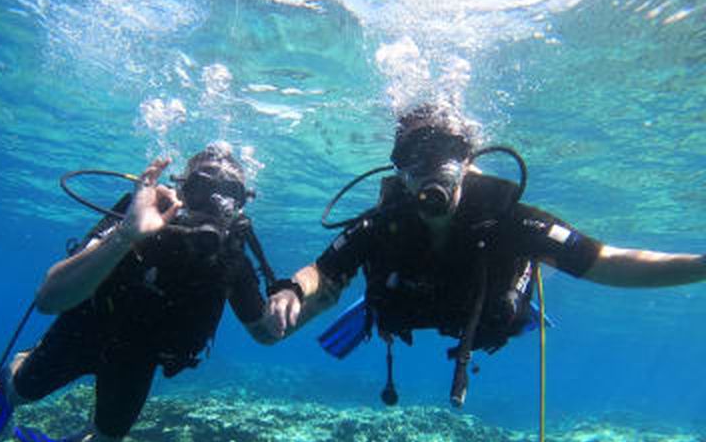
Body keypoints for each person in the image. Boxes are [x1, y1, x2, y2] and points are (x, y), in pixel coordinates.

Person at [263, 103, 706, 406]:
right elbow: (323, 270)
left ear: (469, 160)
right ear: (399, 169)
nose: (430, 173)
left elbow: (603, 260)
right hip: (408, 302)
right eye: (414, 160)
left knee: (526, 272)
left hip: (490, 308)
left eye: (447, 156)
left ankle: (532, 274)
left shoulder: (511, 219)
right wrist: (292, 289)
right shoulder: (381, 222)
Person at [0, 144, 279, 442]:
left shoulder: (231, 253)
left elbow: (264, 331)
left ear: (240, 203)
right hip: (85, 331)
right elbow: (48, 299)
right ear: (181, 188)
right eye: (201, 187)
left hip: (138, 358)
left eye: (228, 194)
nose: (212, 204)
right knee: (18, 391)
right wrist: (127, 234)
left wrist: (296, 294)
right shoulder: (139, 213)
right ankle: (19, 362)